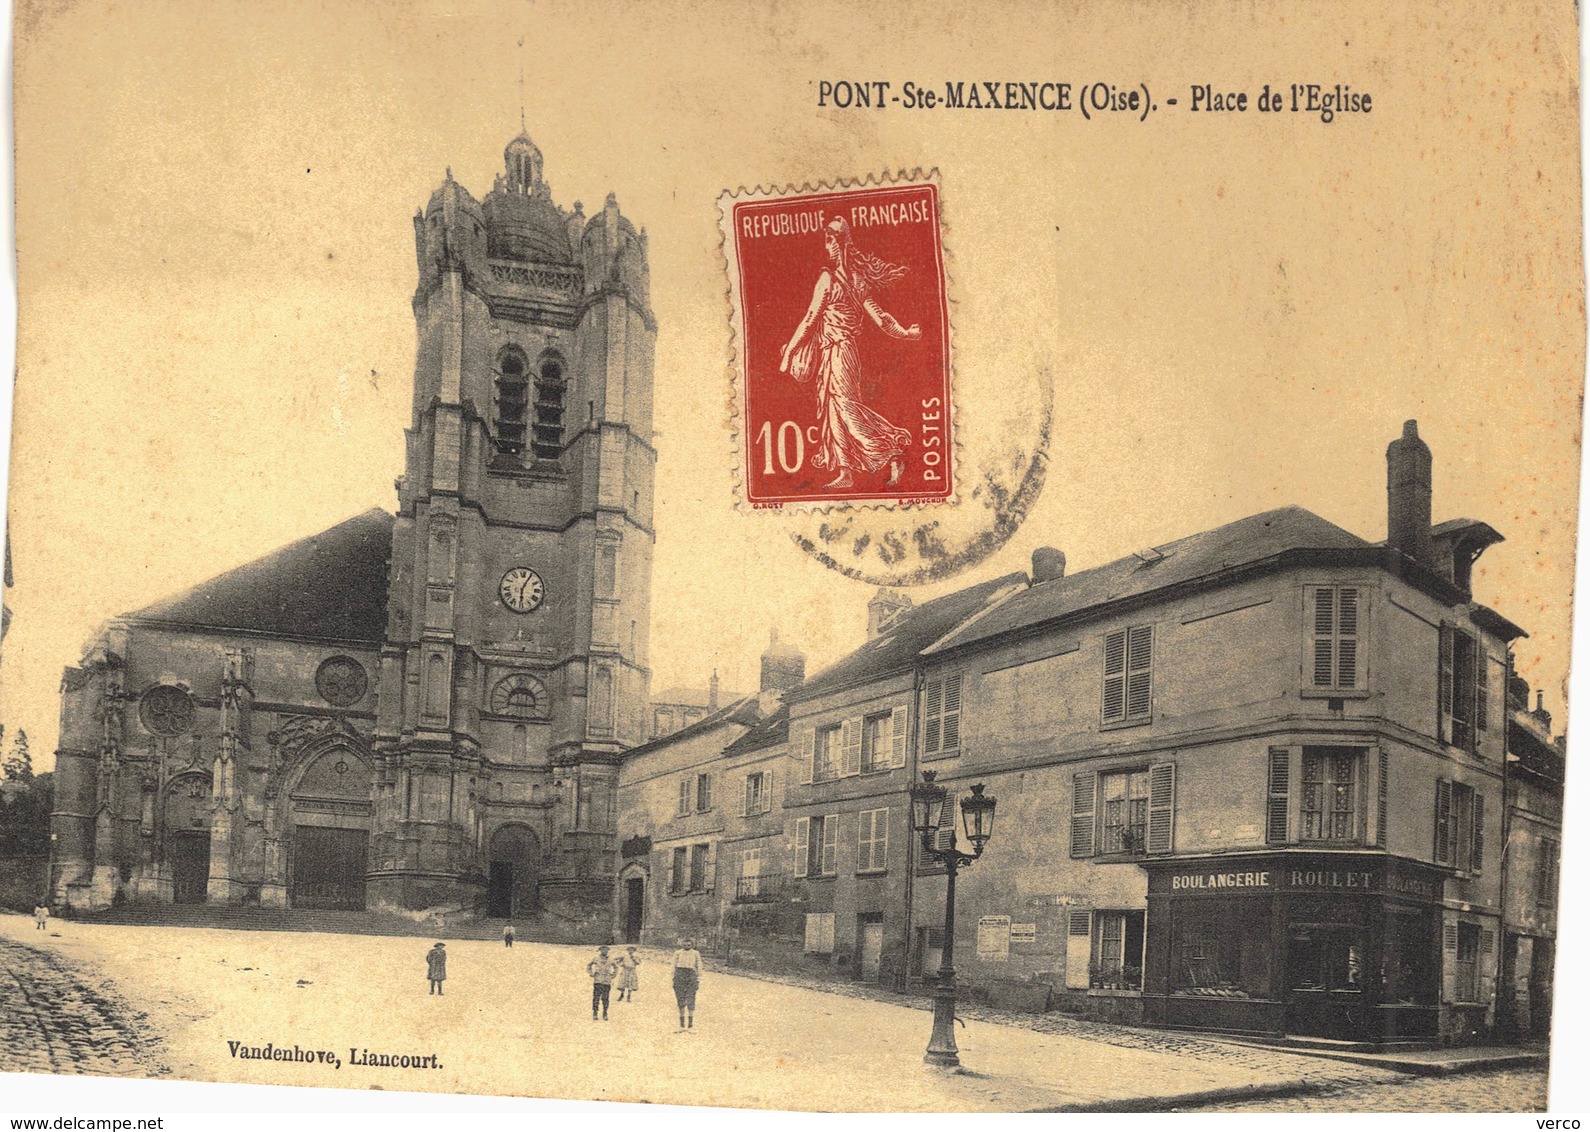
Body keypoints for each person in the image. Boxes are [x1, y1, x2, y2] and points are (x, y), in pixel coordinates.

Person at [779, 216, 922, 490]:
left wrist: (789, 354)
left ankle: (890, 451)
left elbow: (810, 319)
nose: (827, 247)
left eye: (829, 241)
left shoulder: (828, 278)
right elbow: (882, 319)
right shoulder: (857, 280)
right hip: (841, 352)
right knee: (834, 411)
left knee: (845, 408)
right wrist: (905, 333)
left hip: (839, 353)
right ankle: (846, 473)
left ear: (837, 243)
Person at [672, 937, 702, 1030]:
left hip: (691, 975)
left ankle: (690, 1025)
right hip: (679, 974)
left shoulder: (695, 953)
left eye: (689, 945)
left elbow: (699, 965)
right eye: (685, 945)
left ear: (692, 945)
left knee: (691, 997)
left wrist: (698, 979)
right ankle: (681, 1025)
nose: (686, 946)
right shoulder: (678, 953)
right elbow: (673, 965)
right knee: (680, 997)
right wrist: (673, 977)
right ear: (682, 945)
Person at [587, 945, 618, 1021]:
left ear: (608, 951)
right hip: (598, 980)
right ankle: (595, 1013)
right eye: (603, 950)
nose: (604, 951)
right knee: (596, 997)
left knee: (605, 998)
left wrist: (613, 975)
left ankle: (605, 1013)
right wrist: (591, 973)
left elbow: (616, 967)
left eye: (606, 950)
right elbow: (589, 965)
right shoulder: (596, 958)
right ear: (600, 950)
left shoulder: (610, 959)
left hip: (607, 981)